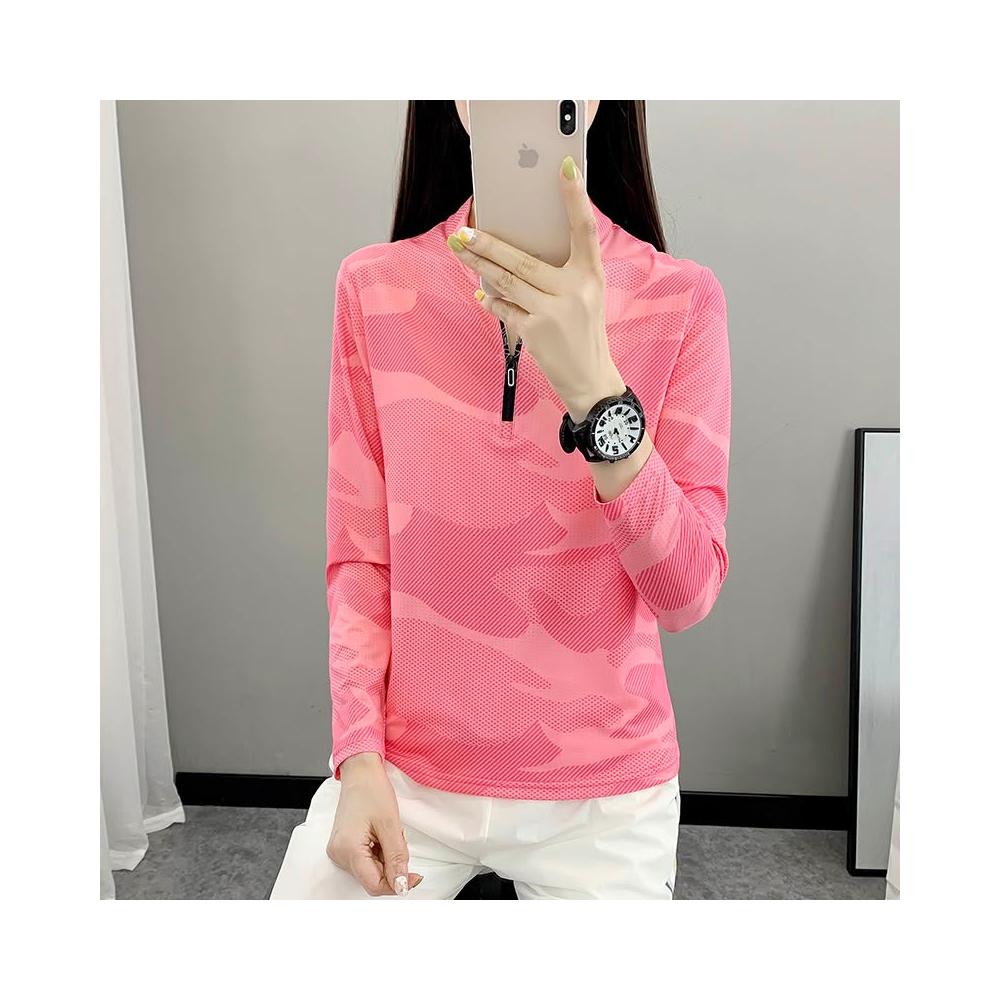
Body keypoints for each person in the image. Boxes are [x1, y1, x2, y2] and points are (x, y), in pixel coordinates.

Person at [269, 100, 731, 900]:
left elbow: (687, 596)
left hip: (603, 796)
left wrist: (596, 388)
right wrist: (358, 759)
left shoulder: (681, 299)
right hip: (408, 774)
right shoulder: (375, 288)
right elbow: (361, 558)